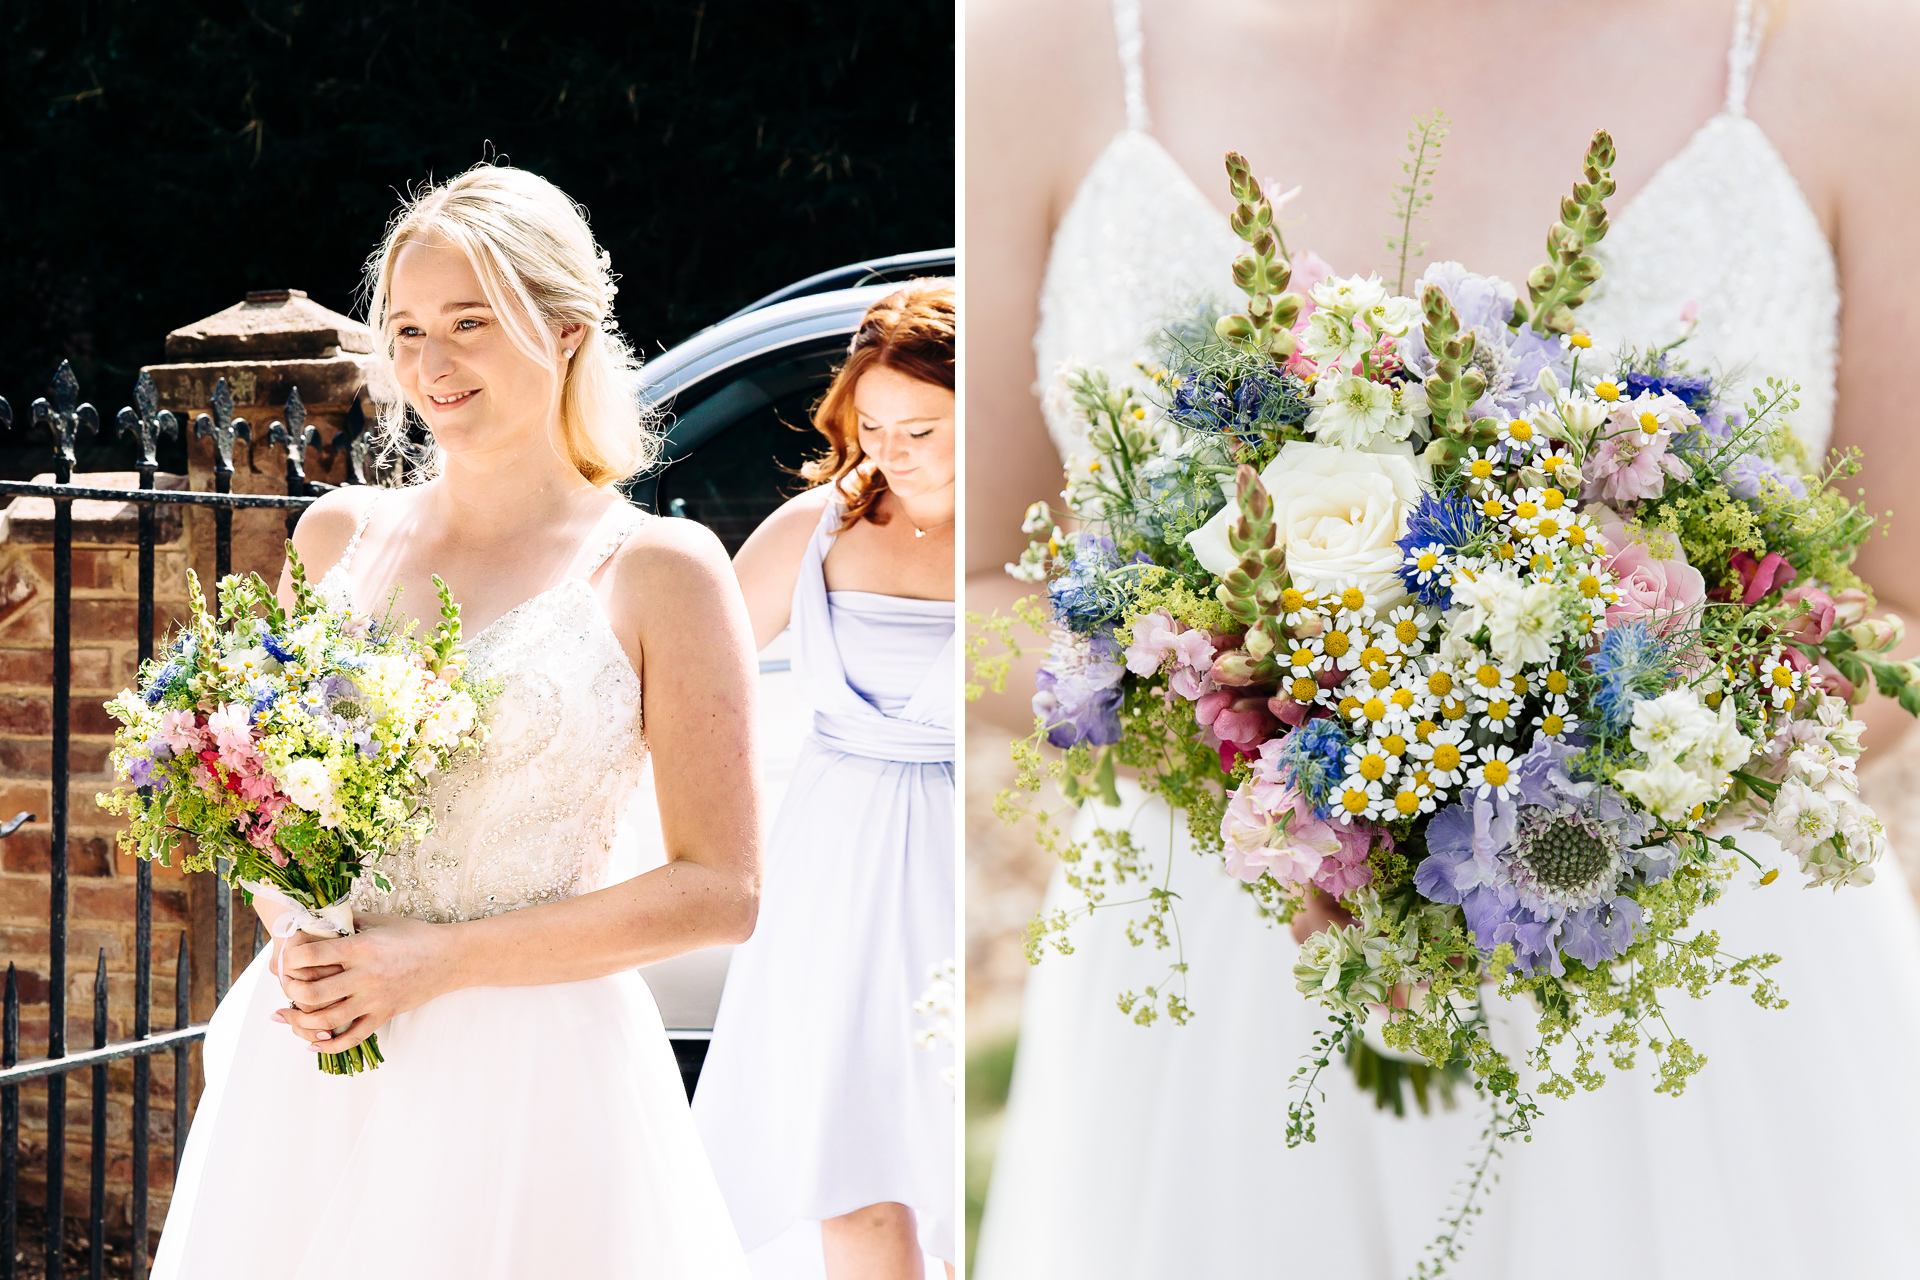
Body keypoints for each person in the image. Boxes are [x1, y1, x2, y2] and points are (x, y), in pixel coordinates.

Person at [966, 0, 1920, 1276]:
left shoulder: (1849, 48)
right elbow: (967, 579)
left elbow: (1899, 610)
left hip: (1694, 984)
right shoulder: (1031, 46)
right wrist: (1292, 758)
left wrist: (1611, 764)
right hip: (1231, 985)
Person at [153, 164, 762, 1278]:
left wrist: (436, 962)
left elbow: (723, 890)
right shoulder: (337, 538)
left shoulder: (662, 569)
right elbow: (272, 795)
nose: (432, 365)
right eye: (409, 328)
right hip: (318, 1065)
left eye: (471, 323)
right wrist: (297, 919)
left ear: (567, 331)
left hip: (537, 1085)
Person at [695, 281, 957, 1280]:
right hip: (831, 868)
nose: (894, 448)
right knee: (847, 1168)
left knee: (969, 1151)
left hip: (969, 853)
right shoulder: (818, 528)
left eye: (924, 426)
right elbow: (681, 673)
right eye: (875, 424)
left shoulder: (1042, 537)